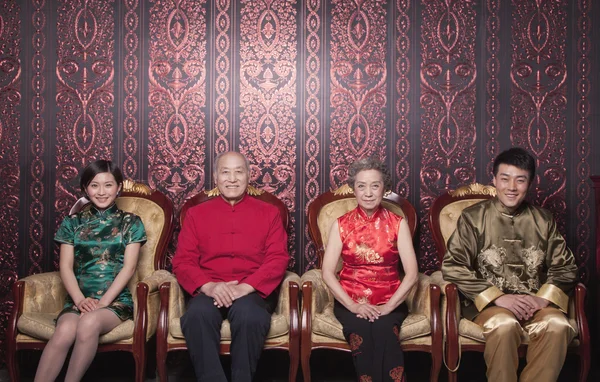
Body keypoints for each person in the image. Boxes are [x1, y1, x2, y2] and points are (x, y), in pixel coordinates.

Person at [441, 147, 577, 382]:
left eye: (520, 180)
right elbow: (453, 266)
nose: (511, 187)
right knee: (504, 324)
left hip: (534, 303)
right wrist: (498, 297)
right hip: (491, 306)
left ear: (530, 183)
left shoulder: (543, 220)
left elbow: (566, 267)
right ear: (494, 180)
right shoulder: (473, 218)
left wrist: (541, 299)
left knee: (558, 324)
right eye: (505, 179)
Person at [172, 151, 289, 382]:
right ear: (216, 177)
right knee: (197, 315)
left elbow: (278, 259)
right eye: (226, 172)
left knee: (250, 315)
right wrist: (210, 287)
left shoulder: (270, 213)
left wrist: (246, 287)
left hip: (252, 291)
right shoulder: (196, 214)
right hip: (210, 288)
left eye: (239, 172)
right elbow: (182, 261)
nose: (232, 179)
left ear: (248, 176)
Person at [34, 160, 146, 382]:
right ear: (86, 188)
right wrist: (79, 300)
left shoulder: (131, 222)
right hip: (79, 299)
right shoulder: (72, 222)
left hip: (114, 302)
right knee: (65, 331)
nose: (101, 192)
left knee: (89, 322)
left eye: (108, 185)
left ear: (118, 187)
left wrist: (102, 303)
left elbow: (129, 268)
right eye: (94, 186)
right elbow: (65, 267)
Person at [321, 157, 419, 382]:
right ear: (353, 189)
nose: (368, 193)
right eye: (361, 186)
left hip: (389, 300)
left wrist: (388, 307)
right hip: (350, 300)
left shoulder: (397, 223)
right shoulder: (341, 224)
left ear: (384, 189)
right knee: (362, 333)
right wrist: (353, 305)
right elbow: (327, 272)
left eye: (375, 186)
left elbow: (412, 273)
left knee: (385, 332)